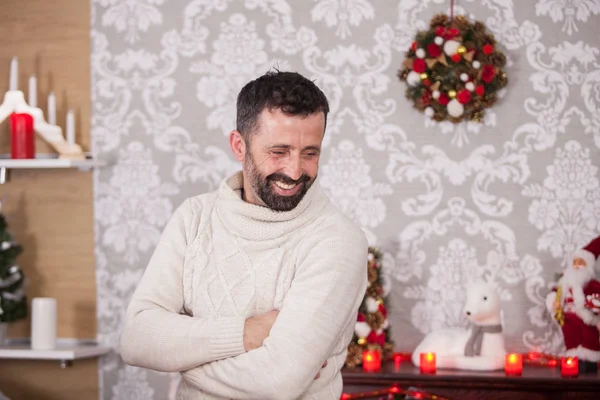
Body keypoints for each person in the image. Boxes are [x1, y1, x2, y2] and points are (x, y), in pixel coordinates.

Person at [120, 70, 369, 399]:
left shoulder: (337, 240)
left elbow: (277, 382)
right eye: (278, 152)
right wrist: (244, 333)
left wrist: (178, 357)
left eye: (310, 153)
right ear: (239, 145)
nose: (295, 171)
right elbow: (137, 339)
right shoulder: (194, 218)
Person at [546, 235, 600, 373]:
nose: (576, 266)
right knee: (570, 336)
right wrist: (554, 301)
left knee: (588, 336)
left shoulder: (590, 284)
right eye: (574, 263)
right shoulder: (564, 284)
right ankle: (573, 358)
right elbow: (554, 294)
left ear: (588, 267)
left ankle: (589, 360)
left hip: (585, 317)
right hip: (567, 317)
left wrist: (594, 304)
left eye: (580, 263)